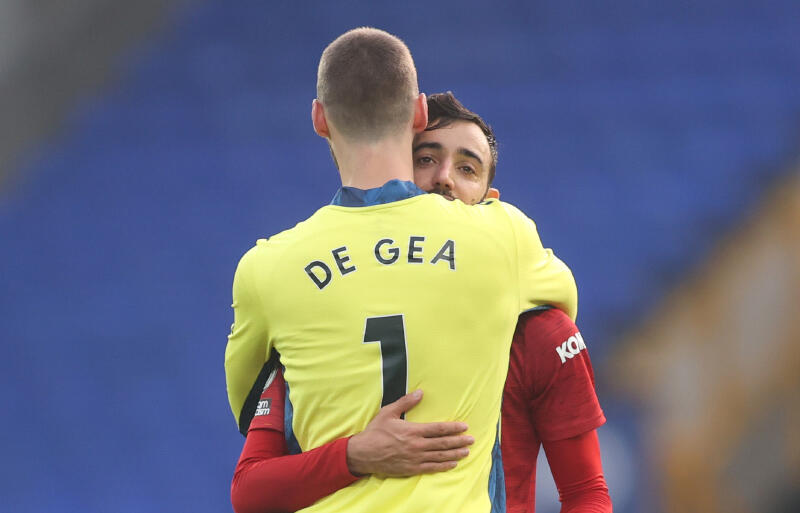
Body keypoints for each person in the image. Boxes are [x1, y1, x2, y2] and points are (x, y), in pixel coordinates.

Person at [224, 29, 577, 513]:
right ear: (419, 113)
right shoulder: (504, 237)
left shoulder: (266, 269)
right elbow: (556, 315)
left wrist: (351, 451)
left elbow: (254, 407)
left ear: (319, 119)